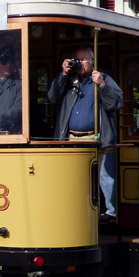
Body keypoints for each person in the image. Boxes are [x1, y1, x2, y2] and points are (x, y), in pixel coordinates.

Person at [48, 47, 123, 221]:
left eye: (84, 60)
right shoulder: (69, 81)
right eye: (77, 60)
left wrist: (102, 86)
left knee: (104, 176)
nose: (80, 63)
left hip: (98, 137)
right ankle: (76, 209)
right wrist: (63, 74)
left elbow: (116, 104)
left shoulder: (103, 79)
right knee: (74, 175)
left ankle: (110, 212)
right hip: (72, 137)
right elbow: (52, 97)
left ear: (93, 60)